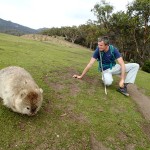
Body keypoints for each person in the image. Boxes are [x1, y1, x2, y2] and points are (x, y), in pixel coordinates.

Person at [73, 36, 139, 96]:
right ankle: (106, 78)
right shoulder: (97, 51)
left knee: (135, 66)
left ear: (107, 45)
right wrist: (81, 76)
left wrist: (122, 79)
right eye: (98, 45)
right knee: (108, 82)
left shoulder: (113, 50)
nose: (99, 46)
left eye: (101, 45)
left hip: (115, 67)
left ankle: (123, 87)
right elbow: (90, 64)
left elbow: (122, 64)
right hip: (105, 70)